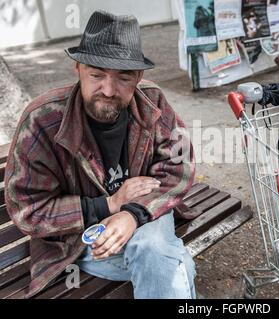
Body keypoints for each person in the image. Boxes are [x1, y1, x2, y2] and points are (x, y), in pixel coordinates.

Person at [4, 10, 196, 299]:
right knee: (171, 262)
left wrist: (132, 214)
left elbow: (179, 166)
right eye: (96, 74)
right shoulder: (42, 121)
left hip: (147, 213)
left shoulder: (152, 100)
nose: (108, 89)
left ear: (138, 77)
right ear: (78, 69)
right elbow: (28, 209)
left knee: (153, 247)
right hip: (78, 241)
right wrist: (110, 205)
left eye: (123, 78)